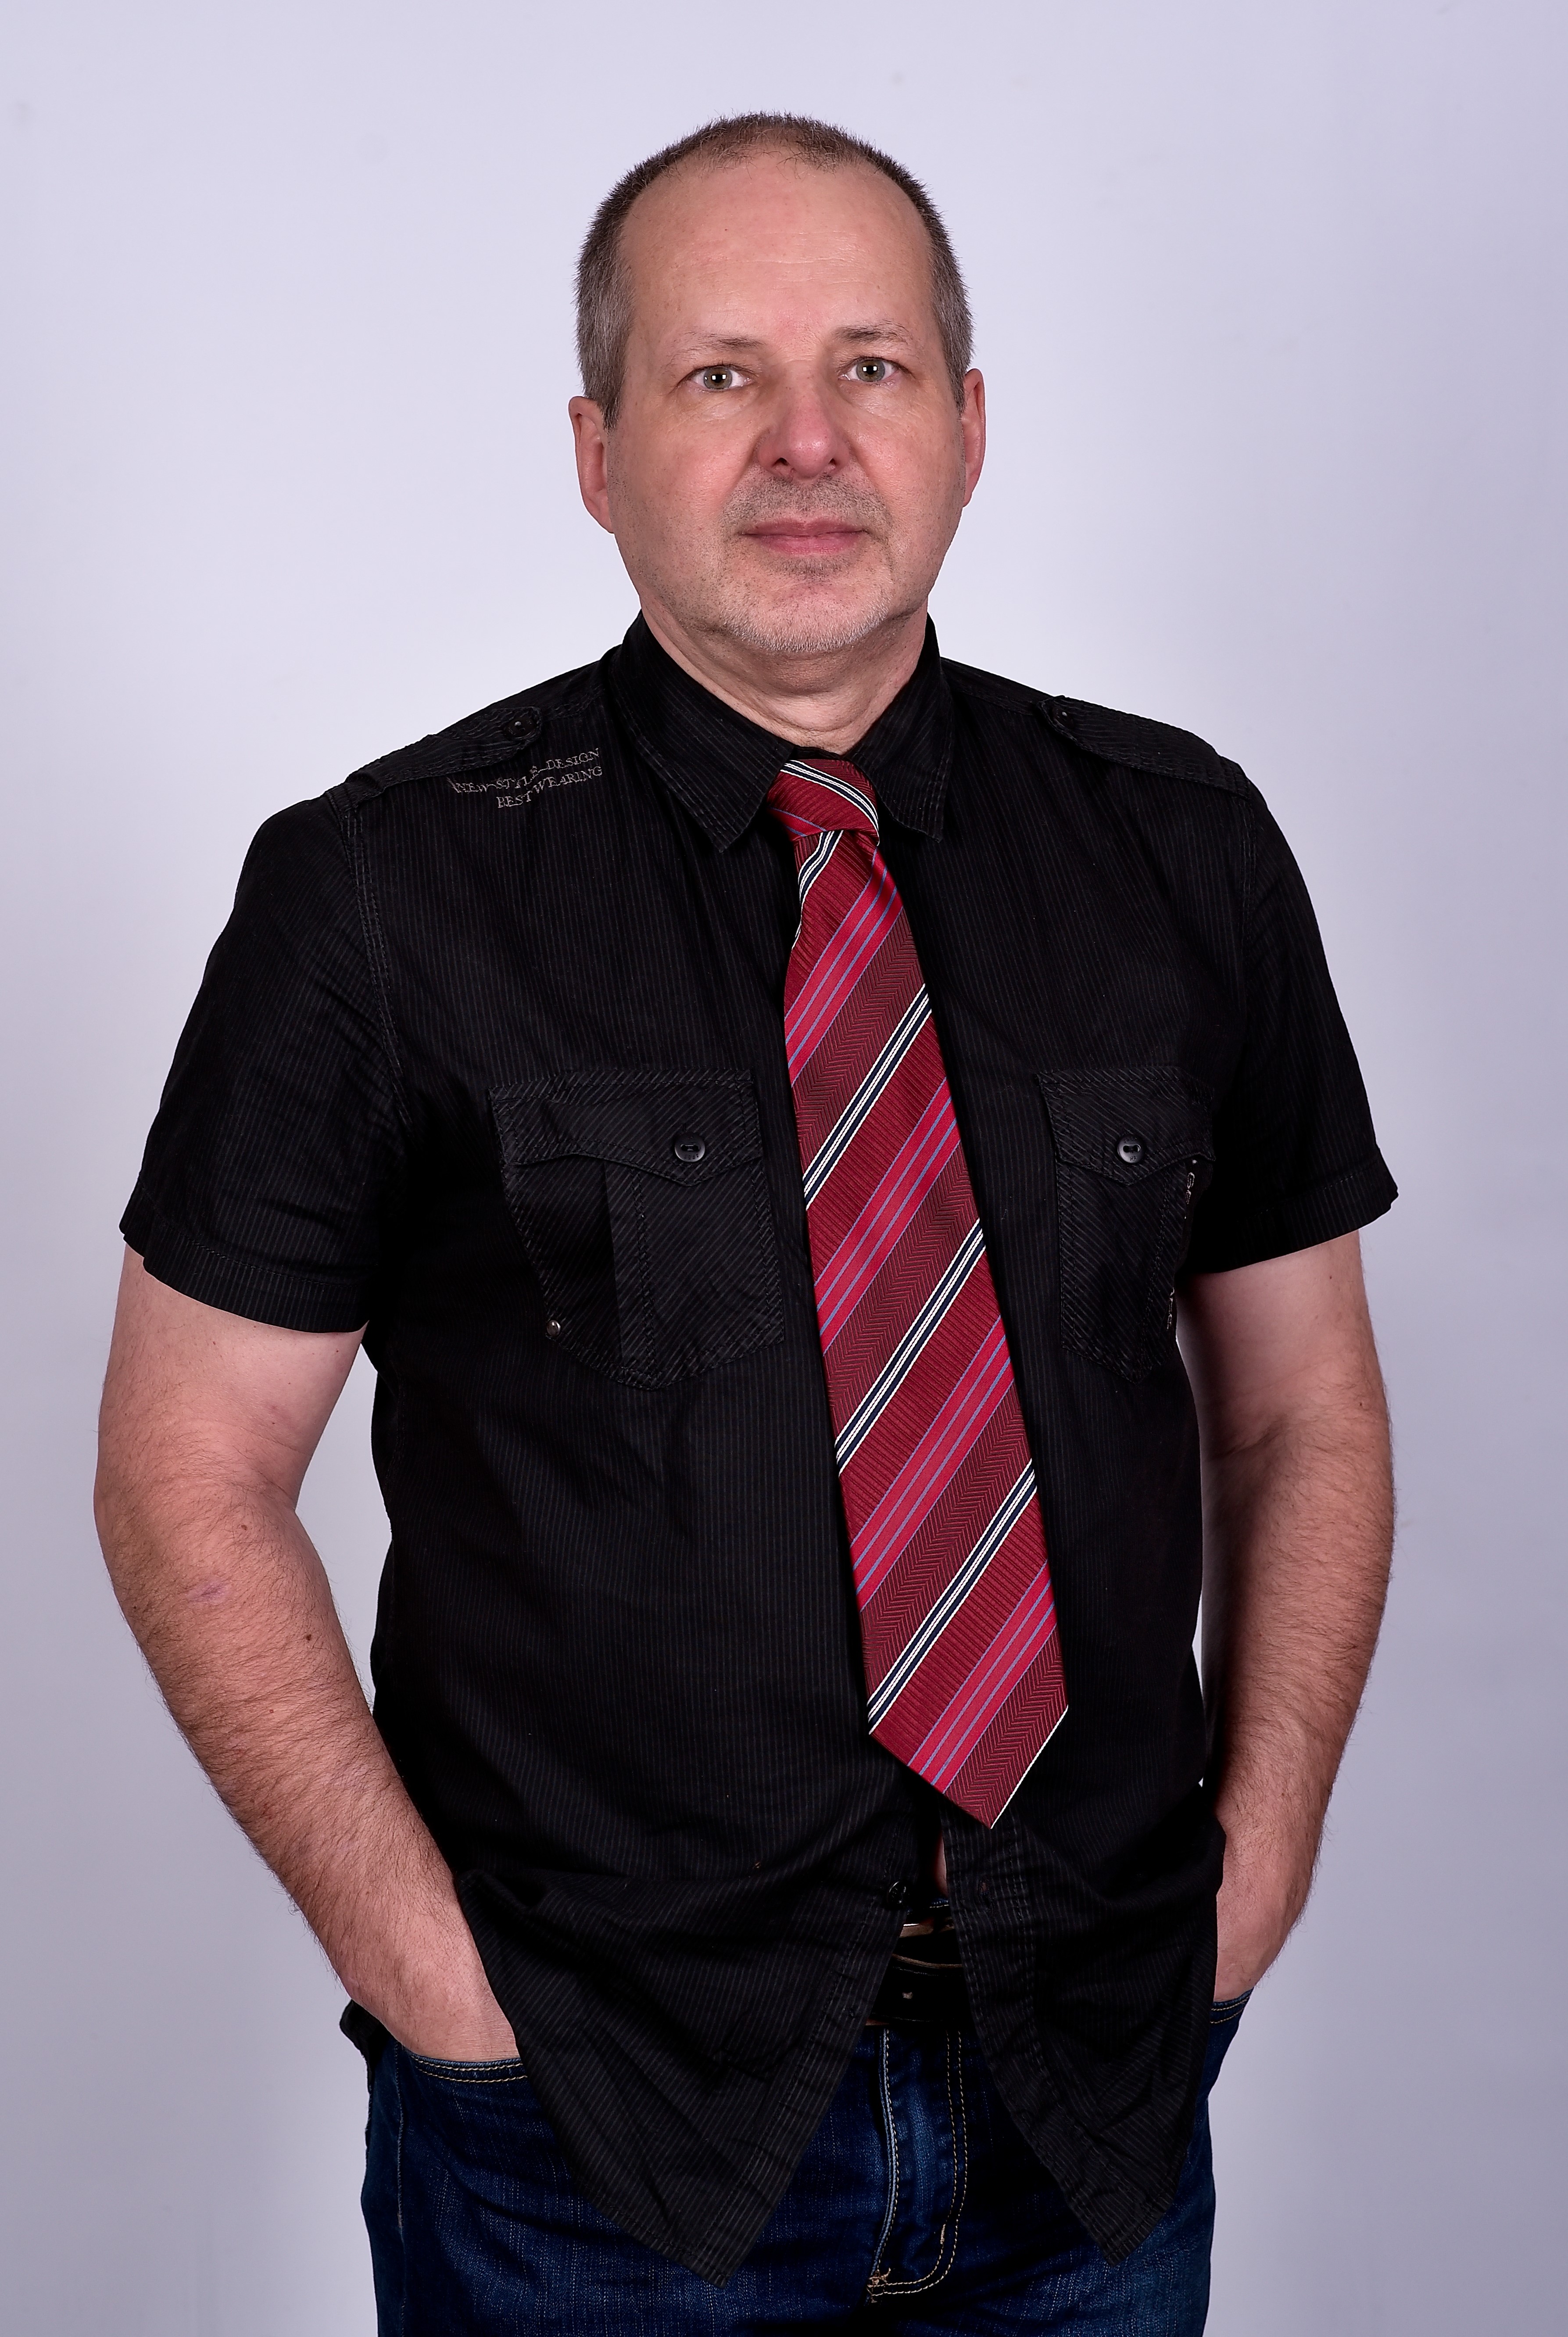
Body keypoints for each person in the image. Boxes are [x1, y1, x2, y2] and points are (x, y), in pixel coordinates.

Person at [95, 112, 1396, 2334]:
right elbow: (184, 1471)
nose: (809, 440)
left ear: (967, 427)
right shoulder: (384, 895)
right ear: (597, 454)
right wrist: (435, 1982)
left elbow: (1302, 1411)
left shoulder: (1185, 852)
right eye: (721, 375)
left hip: (1093, 2092)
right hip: (592, 2132)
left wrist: (1256, 1866)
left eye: (870, 368)